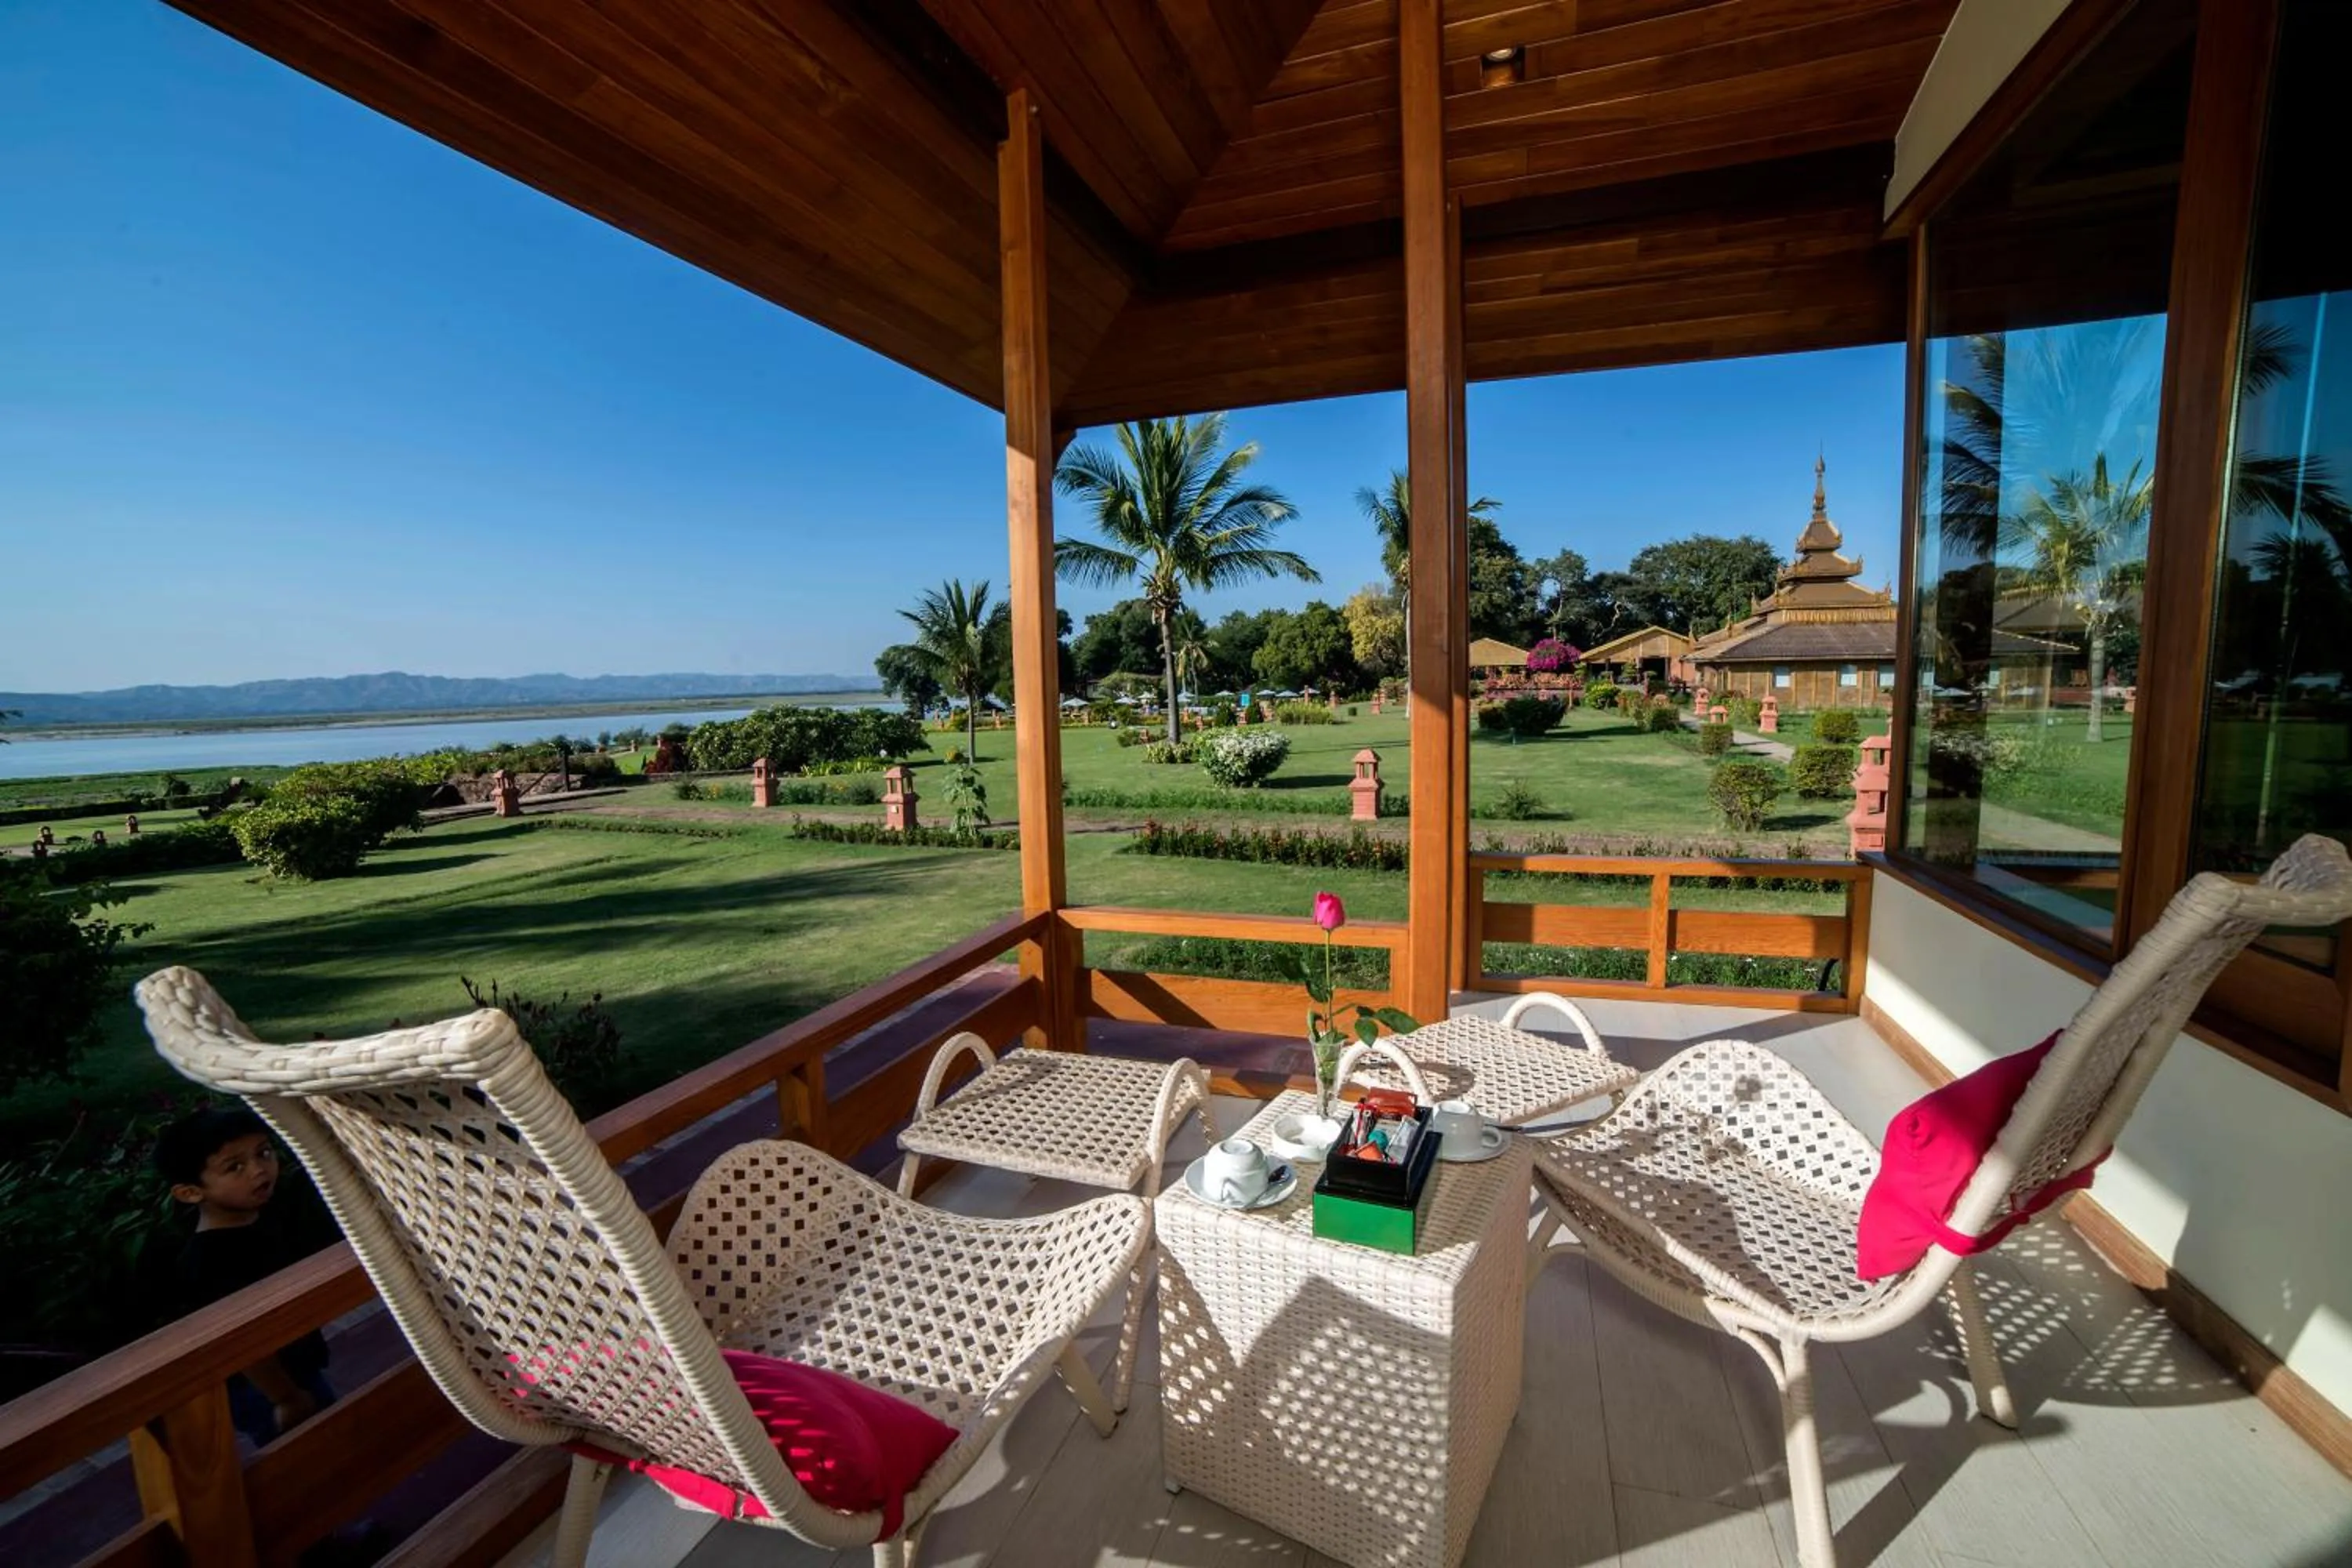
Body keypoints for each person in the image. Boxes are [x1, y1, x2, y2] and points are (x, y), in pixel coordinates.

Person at [153, 1106, 342, 1445]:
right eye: (234, 1167)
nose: (259, 1169)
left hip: (298, 1364)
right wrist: (285, 1398)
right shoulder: (209, 1261)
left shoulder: (262, 1217)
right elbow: (240, 1345)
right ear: (190, 1192)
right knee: (312, 1449)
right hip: (263, 1387)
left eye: (264, 1153)